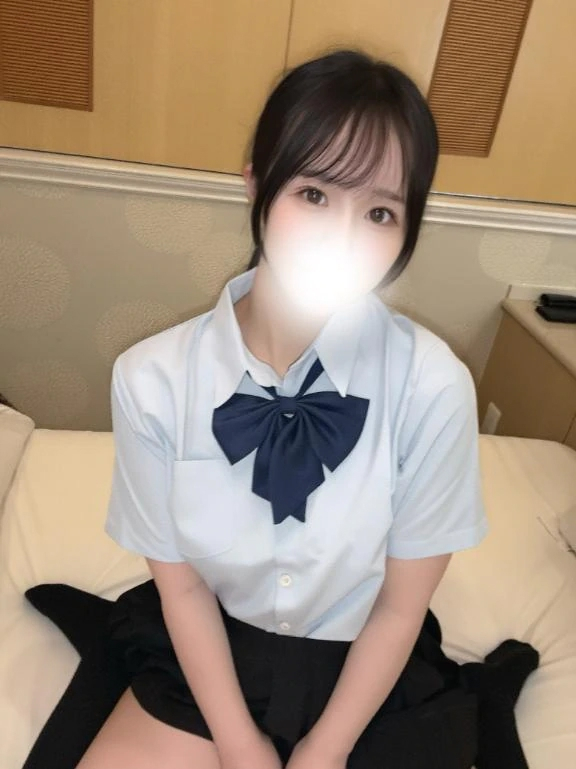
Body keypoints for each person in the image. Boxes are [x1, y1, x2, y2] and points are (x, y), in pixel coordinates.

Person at [79, 48, 488, 769]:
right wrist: (241, 746)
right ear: (256, 184)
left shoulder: (434, 386)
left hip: (366, 665)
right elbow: (183, 588)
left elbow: (400, 607)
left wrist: (323, 752)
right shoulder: (150, 379)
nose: (343, 238)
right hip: (208, 652)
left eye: (381, 212)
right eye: (315, 194)